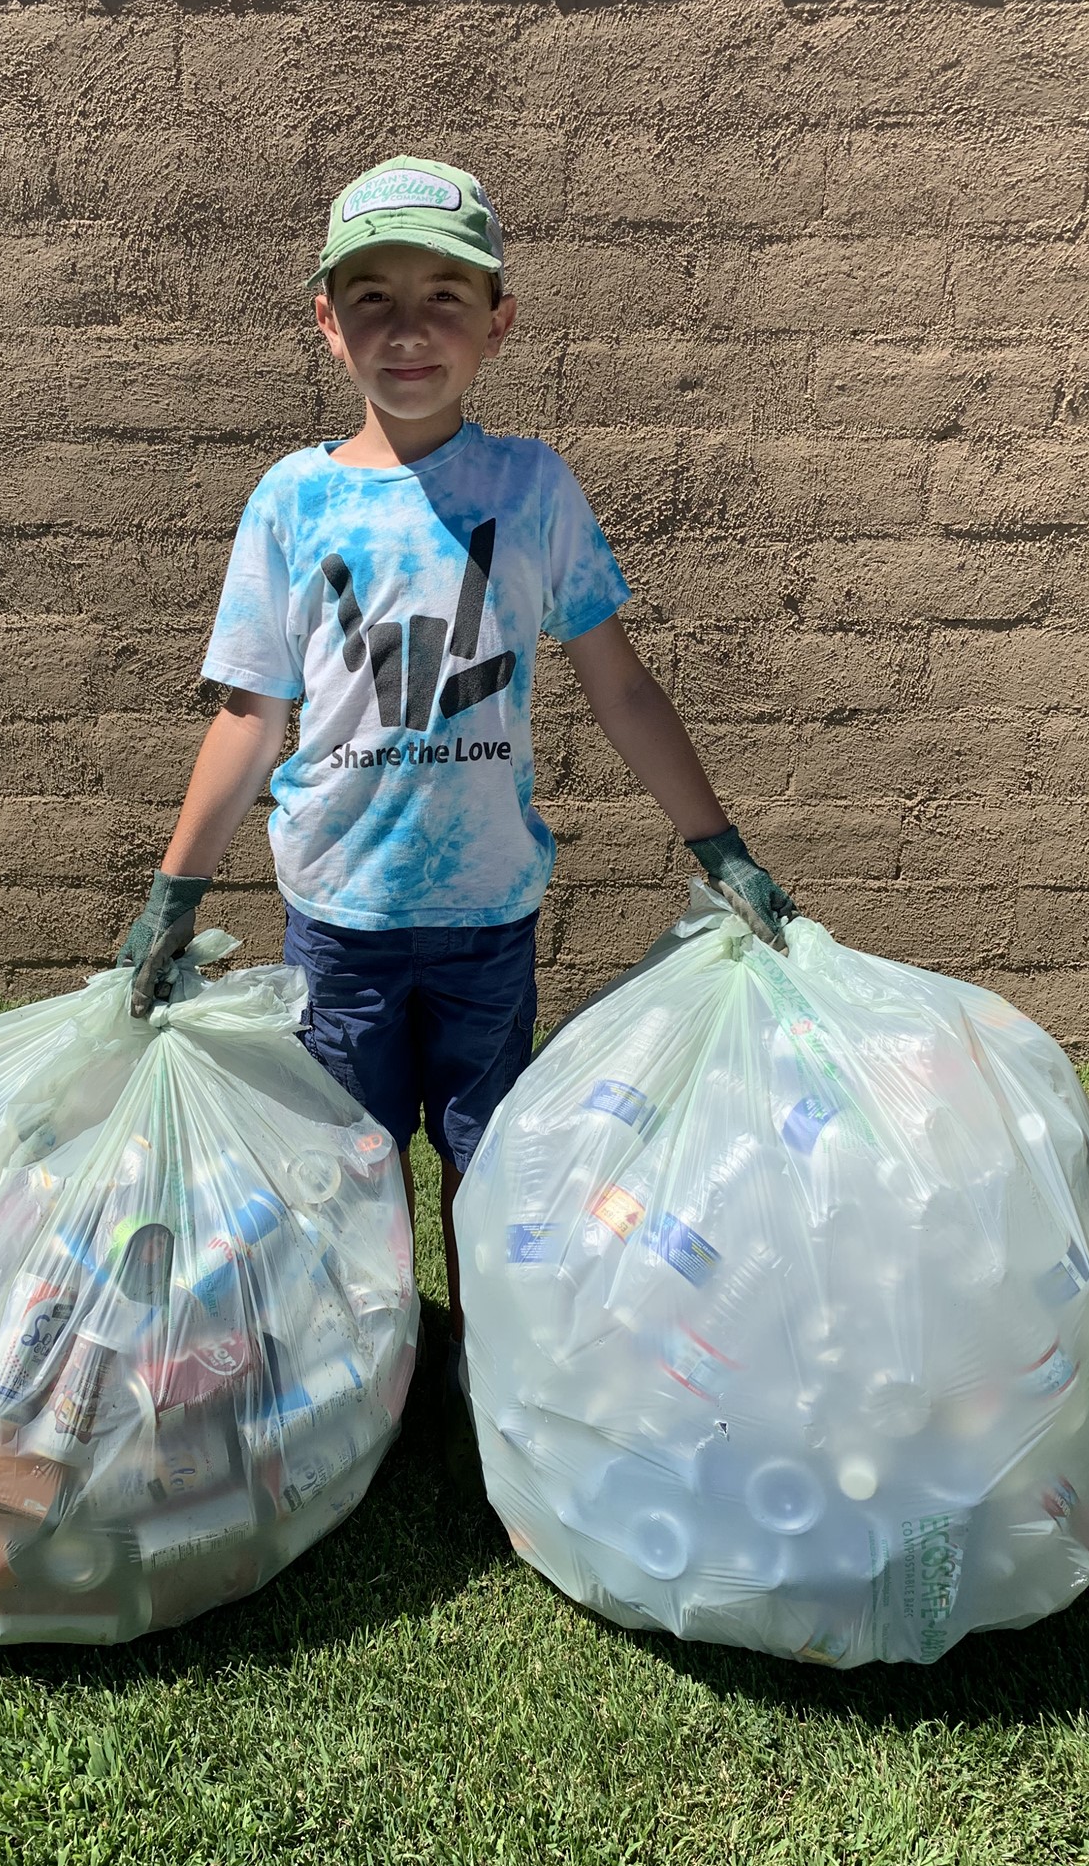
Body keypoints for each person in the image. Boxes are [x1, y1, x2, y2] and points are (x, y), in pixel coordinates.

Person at [116, 155, 796, 1465]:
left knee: (495, 1171)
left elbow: (619, 685)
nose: (408, 327)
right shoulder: (292, 501)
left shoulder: (532, 490)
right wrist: (174, 889)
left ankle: (504, 1380)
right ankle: (360, 1388)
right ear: (326, 321)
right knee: (348, 1175)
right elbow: (247, 714)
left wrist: (720, 845)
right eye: (370, 296)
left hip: (491, 920)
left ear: (501, 318)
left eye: (445, 293)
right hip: (339, 928)